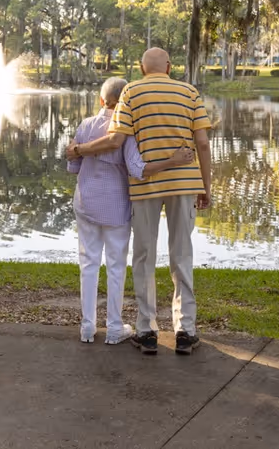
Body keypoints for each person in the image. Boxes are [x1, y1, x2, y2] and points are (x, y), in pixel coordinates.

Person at [67, 48, 212, 356]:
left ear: (142, 68)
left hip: (145, 186)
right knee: (181, 254)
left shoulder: (131, 91)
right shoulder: (190, 92)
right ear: (170, 67)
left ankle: (146, 330)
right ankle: (185, 330)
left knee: (144, 256)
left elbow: (116, 140)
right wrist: (205, 186)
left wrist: (79, 150)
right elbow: (202, 142)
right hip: (184, 184)